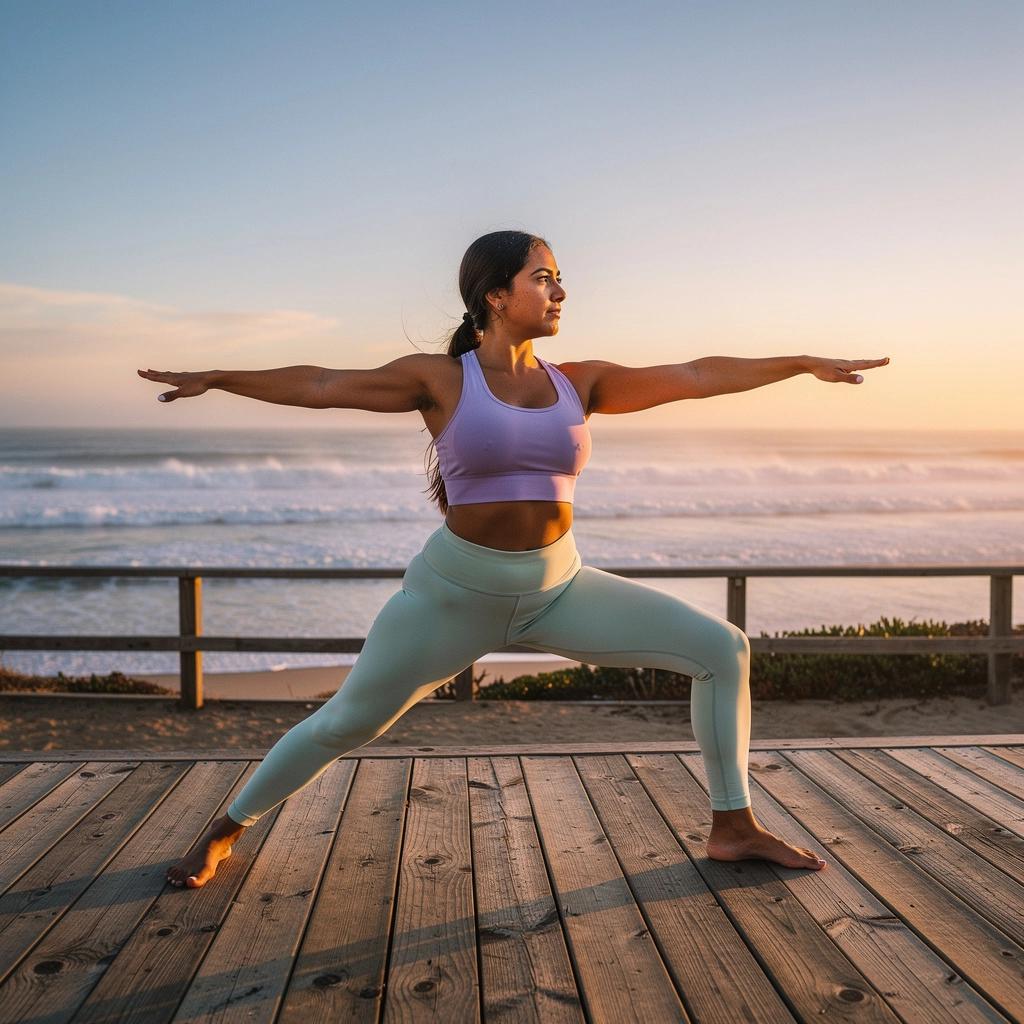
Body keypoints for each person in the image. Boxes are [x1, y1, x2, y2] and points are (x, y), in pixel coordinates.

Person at [139, 229, 889, 889]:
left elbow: (695, 376)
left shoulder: (578, 382)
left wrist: (800, 363)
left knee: (722, 650)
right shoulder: (441, 380)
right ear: (496, 296)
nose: (560, 291)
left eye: (560, 278)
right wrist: (220, 377)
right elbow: (323, 384)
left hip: (559, 588)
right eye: (544, 278)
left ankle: (733, 826)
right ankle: (224, 830)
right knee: (345, 724)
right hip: (453, 600)